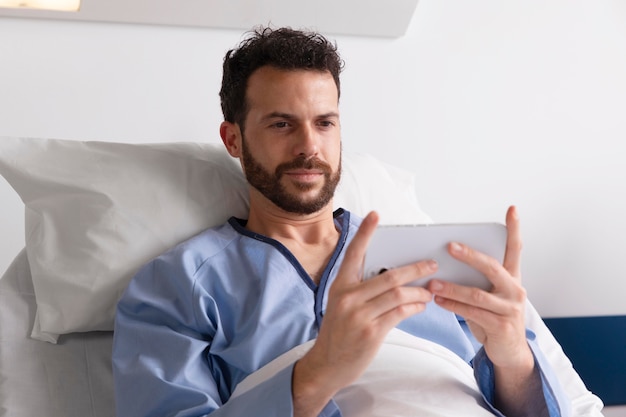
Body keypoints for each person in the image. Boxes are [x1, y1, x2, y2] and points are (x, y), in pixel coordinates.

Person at [112, 27, 570, 416]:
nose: (309, 146)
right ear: (233, 139)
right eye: (281, 124)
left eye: (325, 123)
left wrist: (513, 359)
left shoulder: (425, 263)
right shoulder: (176, 285)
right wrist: (318, 372)